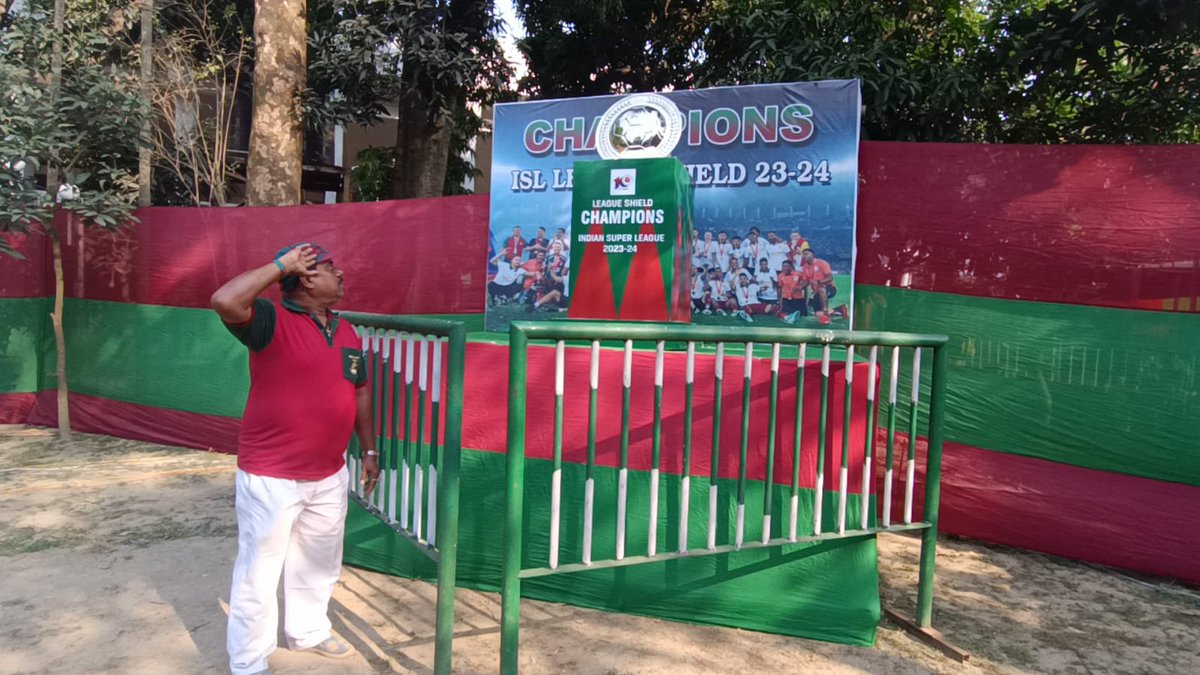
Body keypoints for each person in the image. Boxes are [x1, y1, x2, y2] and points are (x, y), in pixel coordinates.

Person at [211, 243, 380, 675]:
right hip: (272, 476)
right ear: (304, 278)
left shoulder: (344, 330)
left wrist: (370, 448)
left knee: (320, 561)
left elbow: (358, 391)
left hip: (329, 472)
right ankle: (248, 661)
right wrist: (278, 266)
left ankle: (308, 632)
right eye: (328, 268)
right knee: (259, 571)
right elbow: (224, 300)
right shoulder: (268, 320)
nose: (340, 274)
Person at [799, 248, 844, 325]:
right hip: (817, 292)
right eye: (803, 254)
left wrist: (818, 282)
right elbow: (806, 281)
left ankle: (825, 310)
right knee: (818, 314)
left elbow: (830, 277)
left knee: (821, 289)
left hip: (829, 287)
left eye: (806, 254)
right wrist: (798, 287)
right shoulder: (804, 267)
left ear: (813, 255)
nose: (804, 256)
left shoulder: (821, 263)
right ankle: (839, 310)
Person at [777, 259, 807, 323]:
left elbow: (805, 282)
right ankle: (789, 318)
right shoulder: (780, 276)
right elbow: (779, 287)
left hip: (798, 298)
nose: (784, 268)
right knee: (787, 313)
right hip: (786, 299)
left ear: (791, 267)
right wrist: (780, 300)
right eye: (783, 266)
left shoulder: (798, 274)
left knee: (803, 314)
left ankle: (793, 316)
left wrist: (800, 287)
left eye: (786, 266)